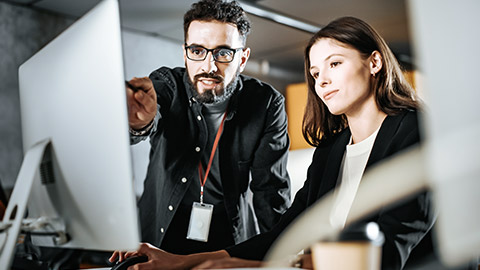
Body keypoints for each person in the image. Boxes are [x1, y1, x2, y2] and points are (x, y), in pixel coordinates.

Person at [110, 16, 435, 270]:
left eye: (334, 63)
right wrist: (183, 261)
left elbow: (390, 253)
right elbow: (285, 233)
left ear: (374, 63)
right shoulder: (331, 149)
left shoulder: (418, 131)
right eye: (315, 71)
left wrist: (254, 265)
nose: (322, 80)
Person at [123, 0, 291, 255]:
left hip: (229, 240)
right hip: (161, 234)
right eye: (198, 51)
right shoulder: (166, 84)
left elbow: (271, 190)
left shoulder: (266, 104)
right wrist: (138, 123)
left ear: (243, 59)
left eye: (223, 53)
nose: (209, 67)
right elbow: (149, 117)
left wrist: (286, 253)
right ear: (185, 53)